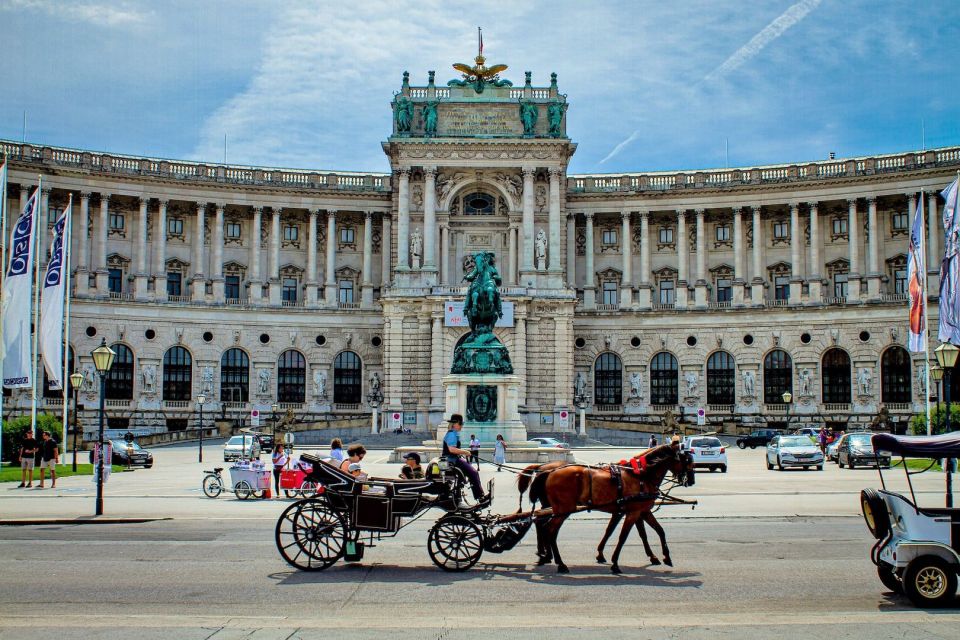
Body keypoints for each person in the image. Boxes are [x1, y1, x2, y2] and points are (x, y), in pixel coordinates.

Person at [442, 414, 486, 503]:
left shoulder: (453, 433)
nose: (462, 426)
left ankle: (458, 494)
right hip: (452, 460)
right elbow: (452, 449)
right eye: (461, 424)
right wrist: (465, 452)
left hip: (453, 459)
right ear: (456, 424)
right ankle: (480, 496)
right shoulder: (451, 434)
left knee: (468, 472)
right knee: (473, 472)